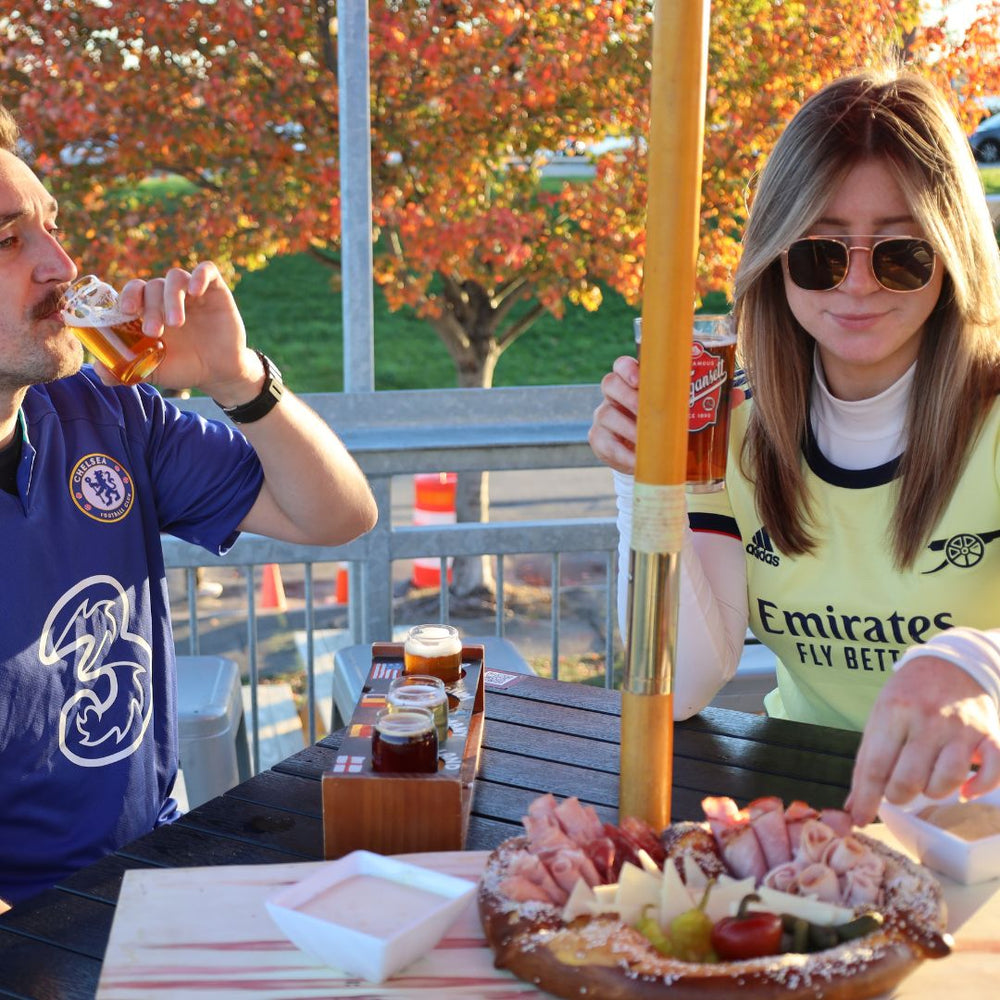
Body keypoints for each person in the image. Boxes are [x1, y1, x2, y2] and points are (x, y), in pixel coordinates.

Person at [589, 66, 1000, 828]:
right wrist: (643, 485)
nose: (857, 284)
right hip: (806, 813)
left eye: (900, 254)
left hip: (975, 829)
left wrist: (978, 664)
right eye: (820, 253)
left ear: (951, 256)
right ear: (776, 258)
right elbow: (680, 686)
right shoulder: (730, 423)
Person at [0, 103, 378, 908]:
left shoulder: (103, 411)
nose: (61, 264)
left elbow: (338, 517)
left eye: (52, 226)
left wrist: (237, 379)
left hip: (162, 867)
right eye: (8, 240)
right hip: (34, 925)